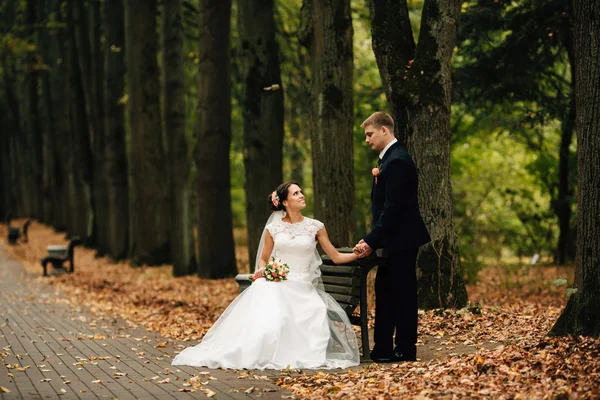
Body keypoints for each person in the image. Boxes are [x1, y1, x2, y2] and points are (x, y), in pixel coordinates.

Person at [172, 182, 360, 369]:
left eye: (301, 192)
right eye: (296, 193)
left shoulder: (315, 227)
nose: (302, 195)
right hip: (279, 281)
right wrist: (264, 270)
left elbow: (335, 256)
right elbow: (263, 259)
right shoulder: (273, 229)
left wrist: (358, 253)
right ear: (285, 202)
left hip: (303, 286)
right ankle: (256, 349)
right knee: (265, 292)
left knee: (311, 309)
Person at [354, 111, 431, 363]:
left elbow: (393, 208)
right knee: (385, 292)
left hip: (403, 240)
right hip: (391, 240)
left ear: (384, 130)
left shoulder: (397, 160)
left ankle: (405, 349)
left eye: (369, 134)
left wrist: (370, 240)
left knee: (403, 295)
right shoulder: (387, 160)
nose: (367, 139)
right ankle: (383, 348)